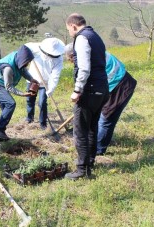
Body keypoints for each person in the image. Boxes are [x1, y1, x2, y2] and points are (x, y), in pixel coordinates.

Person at [65, 44, 137, 156]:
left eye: (70, 59)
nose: (71, 62)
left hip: (120, 87)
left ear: (73, 55)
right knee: (101, 117)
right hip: (117, 84)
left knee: (106, 119)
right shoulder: (92, 52)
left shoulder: (87, 61)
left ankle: (98, 150)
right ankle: (98, 142)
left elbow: (89, 80)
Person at [64, 13, 109, 180]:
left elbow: (84, 68)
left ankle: (82, 170)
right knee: (92, 128)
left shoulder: (82, 39)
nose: (69, 32)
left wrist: (77, 90)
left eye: (68, 29)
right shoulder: (95, 36)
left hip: (89, 91)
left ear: (73, 26)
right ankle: (90, 161)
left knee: (80, 131)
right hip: (102, 89)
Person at [0, 45, 38, 141]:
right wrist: (22, 94)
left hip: (2, 83)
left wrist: (31, 79)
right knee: (10, 104)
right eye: (27, 62)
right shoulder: (8, 68)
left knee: (5, 109)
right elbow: (9, 87)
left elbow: (23, 70)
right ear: (22, 59)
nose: (27, 64)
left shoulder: (18, 57)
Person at [25, 37, 65, 129]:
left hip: (45, 83)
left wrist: (51, 88)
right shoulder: (36, 48)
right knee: (30, 99)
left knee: (42, 102)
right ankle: (29, 118)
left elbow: (55, 75)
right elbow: (25, 46)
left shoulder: (59, 59)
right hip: (32, 80)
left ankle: (43, 123)